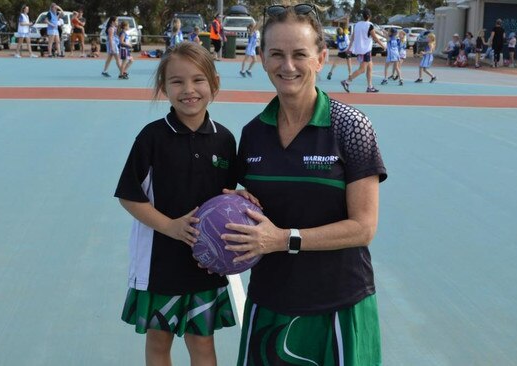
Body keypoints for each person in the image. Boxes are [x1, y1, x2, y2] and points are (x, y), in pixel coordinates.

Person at [225, 4, 387, 365]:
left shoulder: (351, 127)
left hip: (338, 306)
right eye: (277, 54)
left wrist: (283, 239)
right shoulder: (253, 133)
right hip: (269, 303)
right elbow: (249, 203)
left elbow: (364, 227)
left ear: (321, 58)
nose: (288, 66)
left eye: (300, 54)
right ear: (263, 58)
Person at [115, 42, 239, 366]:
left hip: (206, 263)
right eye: (177, 81)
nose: (189, 90)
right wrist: (170, 226)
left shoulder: (224, 139)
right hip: (161, 262)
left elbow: (229, 194)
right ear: (163, 87)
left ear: (214, 83)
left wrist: (244, 199)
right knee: (159, 342)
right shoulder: (152, 138)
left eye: (198, 80)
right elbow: (130, 195)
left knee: (203, 343)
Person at [341, 8, 386, 93]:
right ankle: (346, 81)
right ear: (369, 16)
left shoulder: (357, 24)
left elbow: (353, 37)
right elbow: (375, 37)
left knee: (370, 67)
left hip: (360, 50)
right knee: (362, 70)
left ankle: (370, 86)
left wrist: (349, 48)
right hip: (366, 50)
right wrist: (383, 45)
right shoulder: (369, 25)